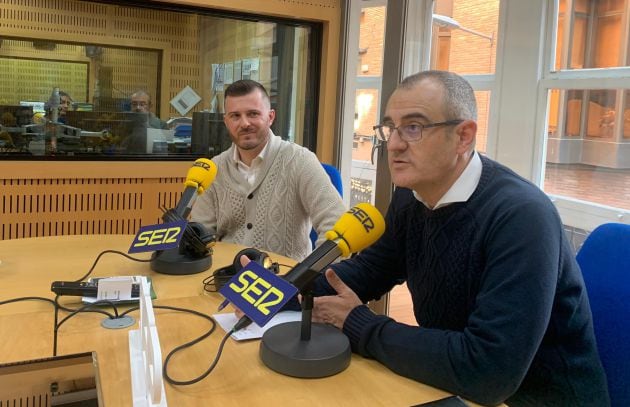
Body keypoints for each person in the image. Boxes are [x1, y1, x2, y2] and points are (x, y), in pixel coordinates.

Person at [303, 71, 609, 406]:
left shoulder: (521, 217)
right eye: (390, 128)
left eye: (414, 127)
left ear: (464, 136)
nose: (393, 144)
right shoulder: (411, 196)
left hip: (532, 399)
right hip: (451, 387)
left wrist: (360, 325)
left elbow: (489, 371)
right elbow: (370, 271)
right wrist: (283, 287)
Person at [190, 79, 345, 261]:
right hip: (226, 278)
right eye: (235, 116)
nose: (245, 123)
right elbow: (199, 235)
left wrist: (311, 275)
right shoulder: (214, 169)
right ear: (226, 121)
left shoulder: (300, 161)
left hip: (286, 282)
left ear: (270, 117)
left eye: (253, 114)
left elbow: (336, 224)